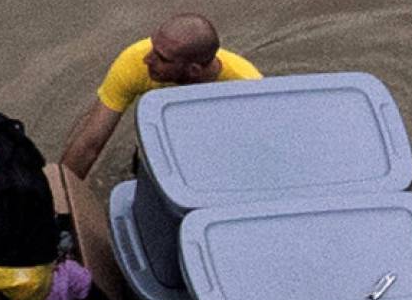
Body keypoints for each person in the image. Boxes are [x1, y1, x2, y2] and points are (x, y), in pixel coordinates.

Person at [58, 13, 262, 179]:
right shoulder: (135, 60)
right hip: (155, 153)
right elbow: (89, 144)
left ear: (193, 70)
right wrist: (57, 204)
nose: (147, 59)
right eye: (153, 47)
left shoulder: (247, 88)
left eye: (161, 58)